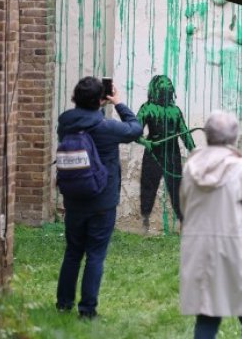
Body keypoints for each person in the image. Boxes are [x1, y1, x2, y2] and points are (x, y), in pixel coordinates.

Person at [179, 110, 242, 339]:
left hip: (200, 249)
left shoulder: (191, 168)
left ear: (207, 135)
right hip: (238, 248)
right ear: (234, 137)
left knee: (207, 313)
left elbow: (185, 208)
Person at [55, 76, 143, 319]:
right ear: (101, 100)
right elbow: (135, 129)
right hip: (102, 202)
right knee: (95, 254)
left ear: (74, 98)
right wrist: (119, 103)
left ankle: (63, 303)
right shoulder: (106, 127)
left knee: (73, 252)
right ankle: (87, 310)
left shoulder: (65, 124)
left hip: (73, 199)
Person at [137, 74, 195, 229]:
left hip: (172, 154)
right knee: (148, 187)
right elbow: (134, 131)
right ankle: (145, 221)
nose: (167, 88)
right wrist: (144, 141)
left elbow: (184, 133)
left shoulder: (175, 111)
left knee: (177, 188)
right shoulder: (147, 108)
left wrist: (193, 150)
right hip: (153, 152)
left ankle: (183, 222)